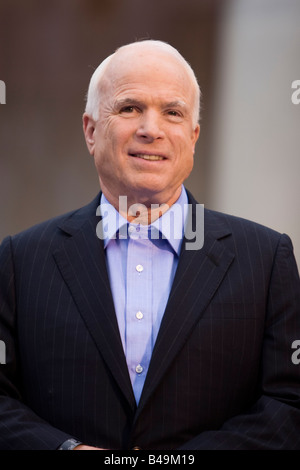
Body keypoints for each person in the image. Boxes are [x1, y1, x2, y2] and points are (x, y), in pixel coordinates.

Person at [0, 39, 300, 451]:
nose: (151, 129)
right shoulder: (19, 260)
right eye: (129, 108)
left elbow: (288, 404)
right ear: (91, 131)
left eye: (172, 113)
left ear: (193, 137)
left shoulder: (266, 261)